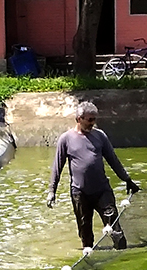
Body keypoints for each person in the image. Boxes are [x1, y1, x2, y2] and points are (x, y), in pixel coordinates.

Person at [49, 101, 139, 249]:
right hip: (80, 193)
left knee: (116, 232)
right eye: (89, 119)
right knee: (86, 235)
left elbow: (113, 160)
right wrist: (52, 191)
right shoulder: (66, 139)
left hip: (102, 191)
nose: (93, 123)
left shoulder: (100, 136)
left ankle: (122, 259)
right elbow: (57, 167)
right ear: (79, 119)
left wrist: (127, 179)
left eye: (94, 119)